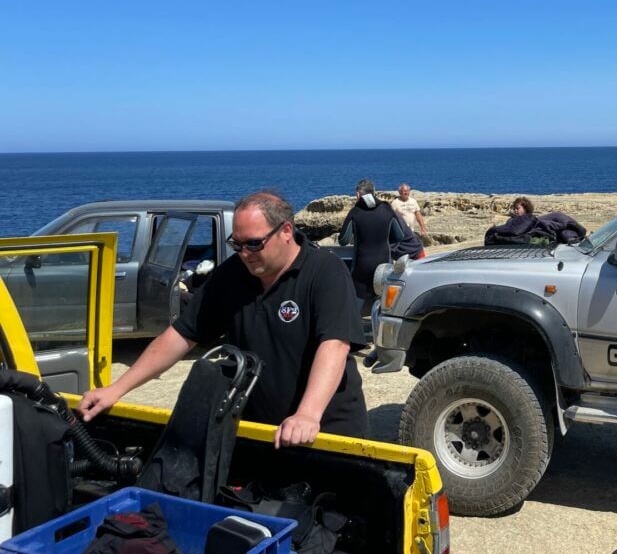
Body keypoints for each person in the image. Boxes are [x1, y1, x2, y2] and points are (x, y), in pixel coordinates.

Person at [77, 191, 368, 445]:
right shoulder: (232, 274)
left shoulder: (325, 271)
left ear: (286, 231)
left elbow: (335, 344)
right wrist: (116, 389)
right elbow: (181, 335)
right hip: (258, 430)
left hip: (324, 430)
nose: (244, 254)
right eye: (236, 244)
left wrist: (307, 414)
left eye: (254, 244)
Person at [339, 179, 404, 316]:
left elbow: (343, 240)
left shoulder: (355, 212)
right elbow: (399, 236)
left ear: (358, 195)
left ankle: (354, 331)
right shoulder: (386, 209)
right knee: (383, 302)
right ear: (374, 192)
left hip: (361, 265)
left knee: (355, 304)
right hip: (383, 264)